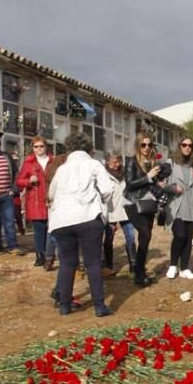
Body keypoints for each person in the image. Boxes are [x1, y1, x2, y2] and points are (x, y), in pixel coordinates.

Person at [48, 133, 116, 318]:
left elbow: (51, 193)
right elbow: (108, 190)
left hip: (61, 219)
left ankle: (64, 305)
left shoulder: (62, 169)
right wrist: (101, 204)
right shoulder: (94, 164)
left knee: (67, 263)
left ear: (69, 148)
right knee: (93, 262)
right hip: (87, 216)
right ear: (88, 148)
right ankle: (100, 306)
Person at [162, 136, 193, 280]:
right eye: (184, 145)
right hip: (176, 205)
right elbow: (161, 184)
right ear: (179, 146)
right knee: (180, 235)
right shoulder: (170, 163)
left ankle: (184, 268)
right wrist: (173, 188)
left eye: (190, 145)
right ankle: (172, 265)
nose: (187, 147)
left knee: (188, 238)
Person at [124, 133, 167, 286]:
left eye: (149, 145)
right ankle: (138, 272)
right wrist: (148, 176)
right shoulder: (131, 161)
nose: (147, 148)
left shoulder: (153, 161)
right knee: (145, 233)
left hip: (149, 203)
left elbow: (153, 182)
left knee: (145, 238)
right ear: (138, 145)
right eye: (143, 145)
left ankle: (139, 273)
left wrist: (159, 182)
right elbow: (130, 184)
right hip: (133, 202)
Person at [16, 136, 54, 266]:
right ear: (32, 148)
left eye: (41, 146)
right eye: (36, 147)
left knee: (53, 229)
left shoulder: (53, 161)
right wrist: (28, 181)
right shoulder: (29, 163)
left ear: (46, 147)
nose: (39, 149)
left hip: (52, 199)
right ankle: (40, 255)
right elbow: (19, 181)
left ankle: (50, 254)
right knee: (39, 229)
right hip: (35, 200)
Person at [101, 153, 136, 276]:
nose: (117, 164)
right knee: (109, 239)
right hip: (110, 212)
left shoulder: (125, 173)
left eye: (118, 161)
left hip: (126, 211)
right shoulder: (103, 175)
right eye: (114, 162)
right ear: (108, 162)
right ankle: (108, 265)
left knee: (130, 237)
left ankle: (133, 265)